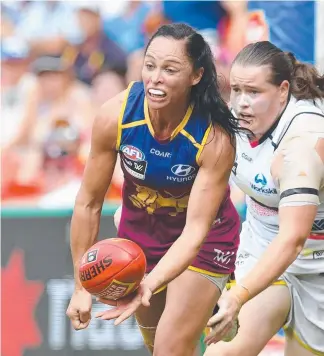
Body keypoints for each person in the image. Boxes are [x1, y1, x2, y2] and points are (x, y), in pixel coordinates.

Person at [66, 23, 243, 356]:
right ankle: (215, 317)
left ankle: (219, 292)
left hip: (205, 242)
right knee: (159, 345)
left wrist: (148, 283)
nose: (155, 77)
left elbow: (194, 232)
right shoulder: (115, 116)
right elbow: (88, 203)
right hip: (140, 240)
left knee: (169, 349)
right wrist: (81, 286)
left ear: (195, 75)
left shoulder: (214, 138)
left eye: (170, 69)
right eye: (150, 65)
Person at [204, 41, 324, 356]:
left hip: (316, 265)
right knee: (223, 353)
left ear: (283, 91)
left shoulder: (304, 143)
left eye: (254, 92)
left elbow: (293, 240)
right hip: (262, 253)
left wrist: (237, 295)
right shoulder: (231, 120)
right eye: (237, 90)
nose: (241, 103)